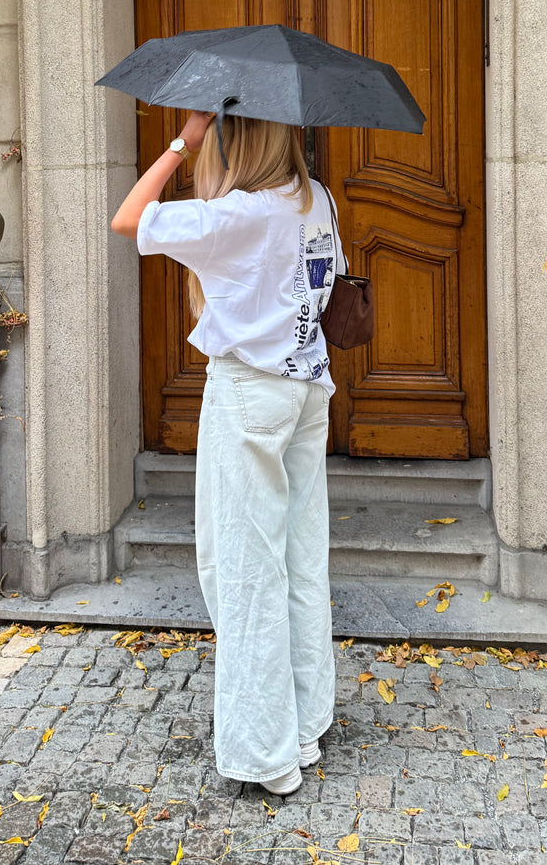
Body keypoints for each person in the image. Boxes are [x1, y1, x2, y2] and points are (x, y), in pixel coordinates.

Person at [111, 110, 340, 795]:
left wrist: (184, 139)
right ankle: (303, 725)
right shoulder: (316, 198)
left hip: (249, 393)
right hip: (306, 388)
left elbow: (130, 217)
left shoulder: (235, 214)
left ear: (232, 139)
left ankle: (268, 754)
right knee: (300, 556)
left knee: (243, 567)